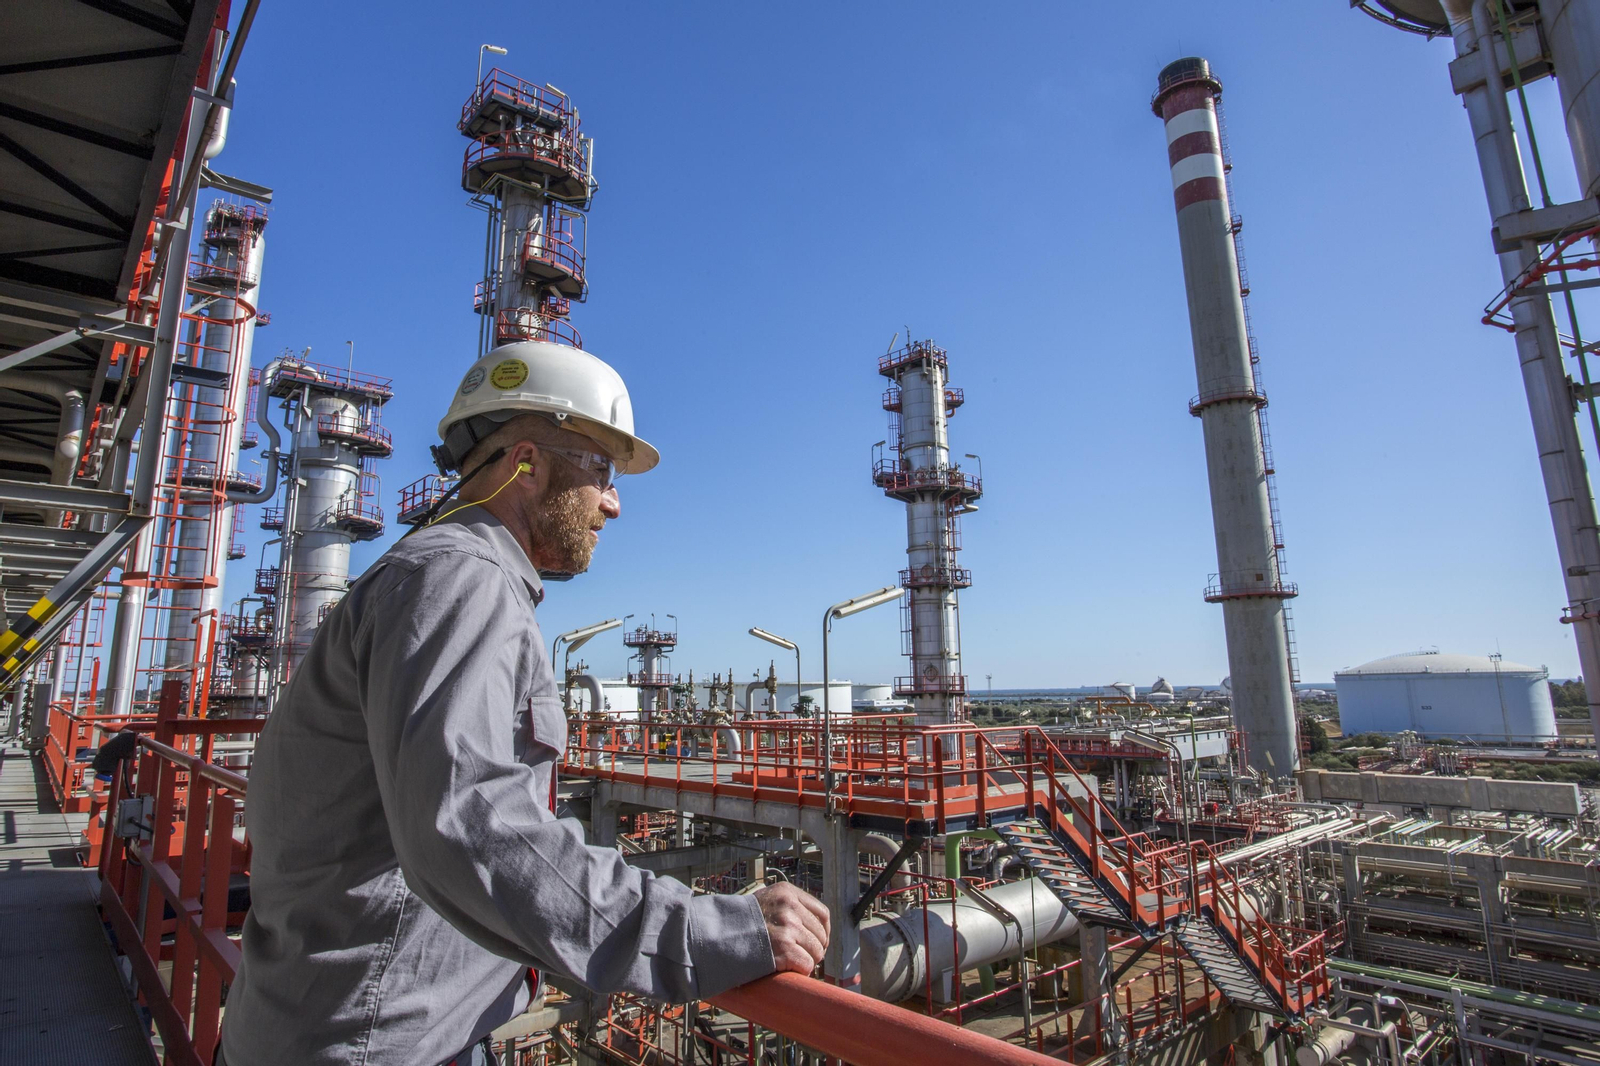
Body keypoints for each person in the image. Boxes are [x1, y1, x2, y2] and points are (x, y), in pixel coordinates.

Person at [221, 343, 829, 1066]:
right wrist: (708, 933)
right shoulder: (461, 582)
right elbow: (474, 827)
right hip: (379, 1043)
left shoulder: (427, 576)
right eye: (601, 469)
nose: (614, 501)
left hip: (338, 1027)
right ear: (527, 462)